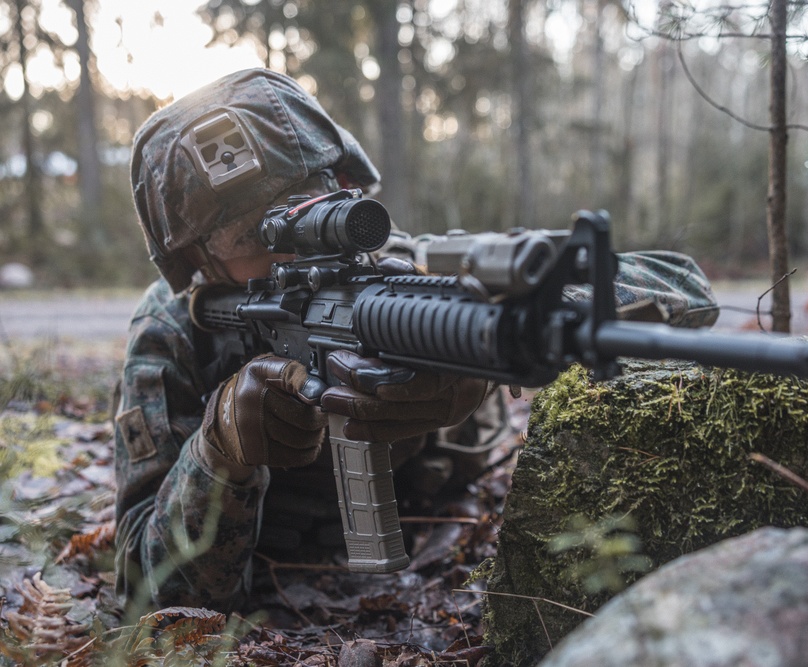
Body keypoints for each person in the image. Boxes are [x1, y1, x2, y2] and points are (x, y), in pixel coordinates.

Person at [114, 68, 719, 613]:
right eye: (247, 239)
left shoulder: (401, 270)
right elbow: (143, 591)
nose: (290, 249)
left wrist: (514, 325)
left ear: (345, 186)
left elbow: (683, 286)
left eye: (305, 207)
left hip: (438, 515)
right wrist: (219, 451)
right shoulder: (175, 332)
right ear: (195, 261)